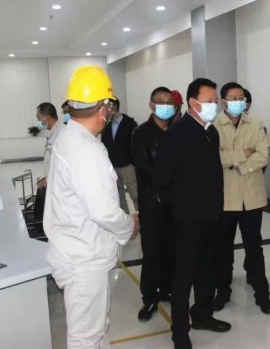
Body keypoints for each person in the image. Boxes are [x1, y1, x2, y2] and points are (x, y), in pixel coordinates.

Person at [44, 66, 139, 349]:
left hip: (74, 249)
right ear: (104, 108)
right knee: (86, 336)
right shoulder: (87, 151)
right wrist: (130, 225)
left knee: (95, 331)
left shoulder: (68, 137)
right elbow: (104, 212)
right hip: (84, 259)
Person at [154, 78, 231, 349]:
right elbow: (162, 181)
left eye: (215, 101)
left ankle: (203, 315)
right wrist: (181, 210)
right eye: (209, 101)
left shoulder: (211, 132)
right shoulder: (177, 134)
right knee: (183, 276)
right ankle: (180, 331)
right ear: (193, 103)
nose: (214, 105)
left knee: (207, 270)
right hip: (186, 220)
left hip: (211, 216)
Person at [212, 82, 270, 315]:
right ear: (223, 101)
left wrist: (238, 165)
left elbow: (263, 156)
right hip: (225, 199)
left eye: (241, 97)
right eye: (233, 97)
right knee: (223, 250)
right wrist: (243, 155)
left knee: (254, 248)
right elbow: (213, 158)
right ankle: (223, 292)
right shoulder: (213, 126)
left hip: (252, 198)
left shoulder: (256, 123)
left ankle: (262, 294)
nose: (238, 101)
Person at [131, 87, 175, 321]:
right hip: (152, 204)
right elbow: (145, 168)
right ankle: (149, 298)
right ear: (151, 105)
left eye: (169, 102)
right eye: (160, 101)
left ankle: (168, 289)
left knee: (172, 249)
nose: (166, 106)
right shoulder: (141, 133)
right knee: (152, 252)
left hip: (176, 204)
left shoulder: (178, 131)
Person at [100, 96, 139, 214]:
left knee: (135, 194)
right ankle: (126, 219)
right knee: (118, 195)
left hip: (127, 166)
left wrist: (134, 163)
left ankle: (141, 218)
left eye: (107, 107)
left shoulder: (130, 124)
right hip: (113, 166)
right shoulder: (106, 126)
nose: (104, 110)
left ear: (114, 107)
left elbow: (135, 145)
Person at [35, 102, 64, 189]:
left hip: (59, 185)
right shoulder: (53, 133)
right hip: (52, 183)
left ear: (47, 118)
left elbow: (62, 165)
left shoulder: (61, 133)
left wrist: (48, 181)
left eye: (39, 118)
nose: (38, 122)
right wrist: (46, 178)